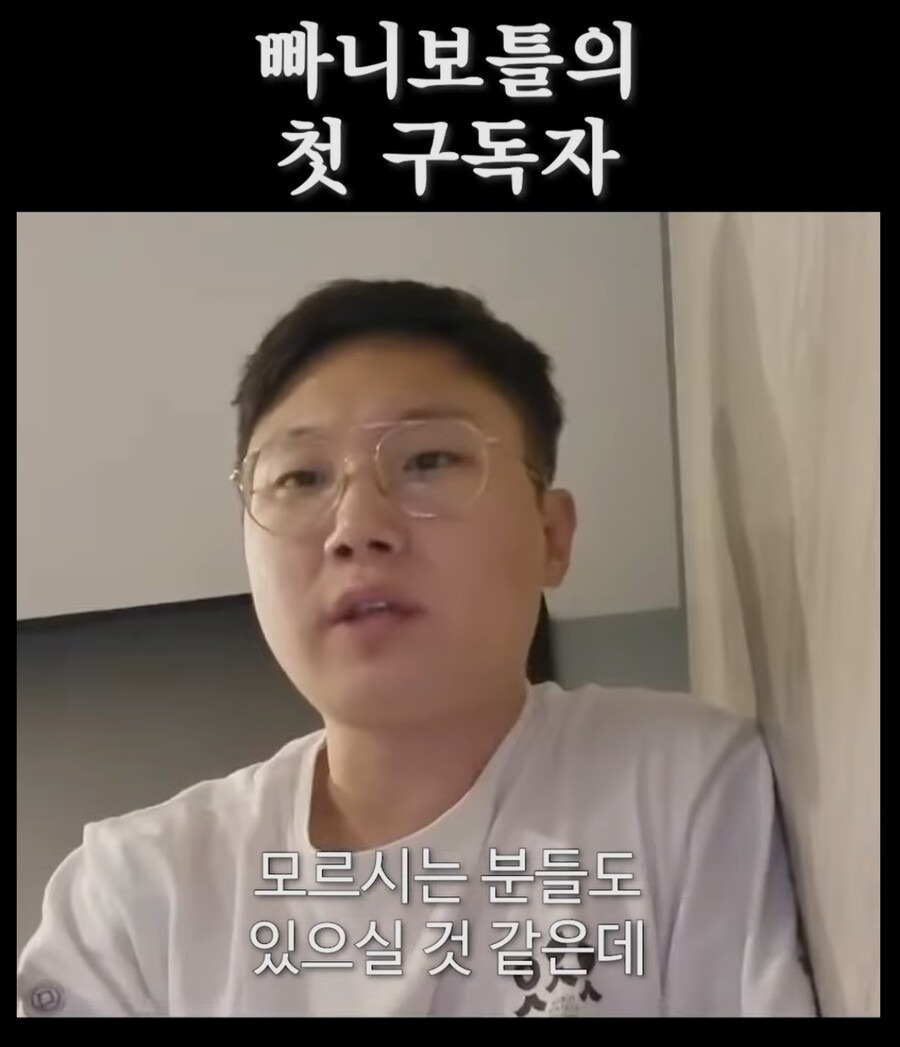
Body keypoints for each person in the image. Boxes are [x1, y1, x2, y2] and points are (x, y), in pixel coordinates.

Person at [16, 279, 818, 1018]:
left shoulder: (683, 787)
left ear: (551, 535)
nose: (355, 527)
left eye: (429, 460)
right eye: (300, 477)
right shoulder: (135, 897)